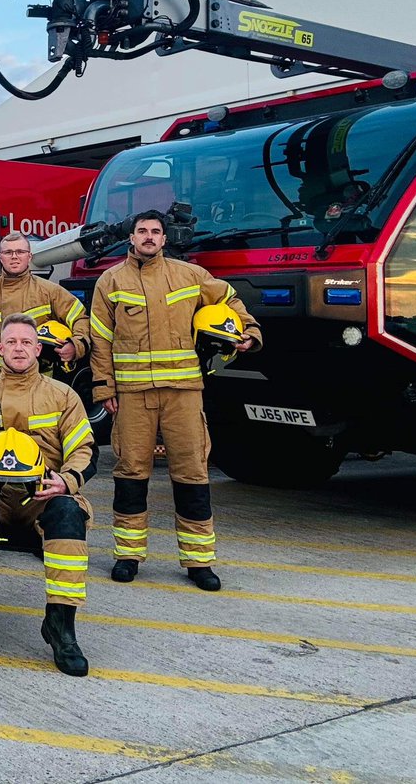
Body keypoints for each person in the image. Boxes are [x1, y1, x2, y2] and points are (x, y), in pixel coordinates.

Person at [89, 210, 261, 591]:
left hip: (183, 392)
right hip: (133, 395)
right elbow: (100, 339)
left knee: (193, 473)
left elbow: (229, 299)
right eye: (141, 231)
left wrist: (249, 330)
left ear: (165, 239)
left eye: (155, 231)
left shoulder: (191, 275)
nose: (148, 237)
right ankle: (128, 555)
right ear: (131, 238)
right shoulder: (111, 280)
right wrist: (104, 389)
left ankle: (199, 562)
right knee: (131, 473)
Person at [0, 314, 95, 676]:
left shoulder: (62, 395)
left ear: (39, 349)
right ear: (0, 348)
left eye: (27, 342)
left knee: (70, 516)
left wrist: (66, 482)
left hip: (42, 497)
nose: (19, 349)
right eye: (12, 342)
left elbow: (85, 450)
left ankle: (61, 626)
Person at [0, 231, 91, 378]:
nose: (14, 256)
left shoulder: (50, 291)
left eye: (20, 251)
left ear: (29, 256)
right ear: (0, 257)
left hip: (38, 382)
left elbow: (80, 319)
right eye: (8, 252)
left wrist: (75, 345)